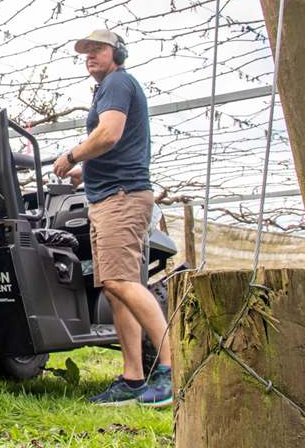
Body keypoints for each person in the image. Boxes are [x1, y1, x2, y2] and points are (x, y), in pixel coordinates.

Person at [52, 29, 172, 407]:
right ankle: (133, 378)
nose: (89, 55)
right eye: (85, 50)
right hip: (108, 196)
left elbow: (109, 134)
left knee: (122, 283)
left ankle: (173, 370)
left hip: (121, 198)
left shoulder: (118, 82)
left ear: (117, 52)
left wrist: (72, 156)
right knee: (115, 289)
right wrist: (83, 174)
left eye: (97, 49)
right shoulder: (111, 87)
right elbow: (118, 148)